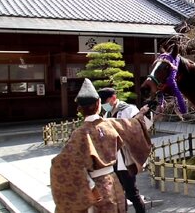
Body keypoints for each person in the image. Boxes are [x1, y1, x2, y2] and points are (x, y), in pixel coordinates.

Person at [50, 79, 154, 213]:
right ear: (99, 104)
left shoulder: (79, 134)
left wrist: (88, 184)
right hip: (114, 183)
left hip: (96, 187)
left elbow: (61, 164)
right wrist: (142, 113)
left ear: (80, 109)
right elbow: (134, 125)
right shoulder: (110, 123)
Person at [98, 87, 146, 213]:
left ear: (113, 98)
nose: (103, 105)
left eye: (105, 101)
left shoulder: (129, 109)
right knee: (118, 193)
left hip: (126, 158)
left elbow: (137, 129)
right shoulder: (106, 114)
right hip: (113, 159)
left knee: (132, 193)